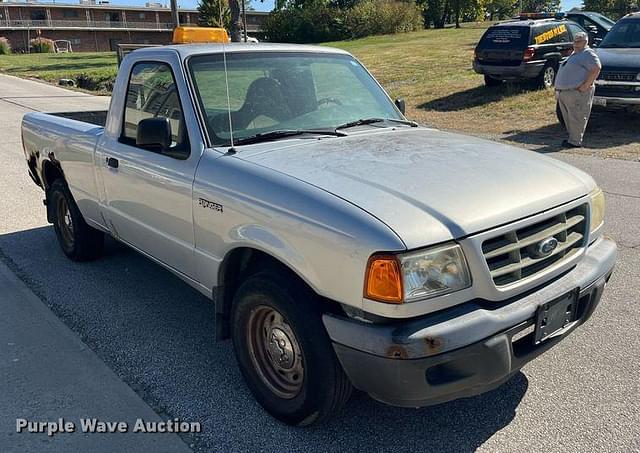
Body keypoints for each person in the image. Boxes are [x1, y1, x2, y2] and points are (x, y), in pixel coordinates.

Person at [554, 31, 602, 148]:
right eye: (575, 41)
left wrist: (586, 85)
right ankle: (572, 139)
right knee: (569, 118)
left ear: (585, 42)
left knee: (577, 117)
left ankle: (575, 141)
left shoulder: (588, 53)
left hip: (576, 92)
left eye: (579, 41)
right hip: (565, 92)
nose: (576, 43)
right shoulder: (575, 54)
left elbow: (596, 68)